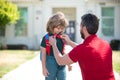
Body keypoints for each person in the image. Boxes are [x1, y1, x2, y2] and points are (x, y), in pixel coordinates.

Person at [49, 13, 115, 80]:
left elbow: (60, 61)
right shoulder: (106, 44)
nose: (79, 29)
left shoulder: (82, 49)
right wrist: (70, 42)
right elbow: (86, 51)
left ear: (84, 28)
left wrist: (54, 45)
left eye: (80, 26)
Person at [40, 12, 72, 80]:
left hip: (61, 63)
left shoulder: (61, 37)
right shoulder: (46, 38)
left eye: (62, 28)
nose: (60, 30)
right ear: (52, 26)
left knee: (62, 78)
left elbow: (63, 51)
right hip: (50, 62)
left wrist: (68, 64)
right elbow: (43, 54)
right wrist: (44, 68)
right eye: (58, 28)